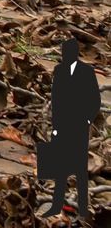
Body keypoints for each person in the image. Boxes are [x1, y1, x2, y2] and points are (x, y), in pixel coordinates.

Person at [41, 37, 101, 216]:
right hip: (62, 124)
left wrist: (87, 120)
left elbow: (94, 100)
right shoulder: (59, 71)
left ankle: (83, 206)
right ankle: (56, 204)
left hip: (79, 124)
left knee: (80, 168)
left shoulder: (86, 72)